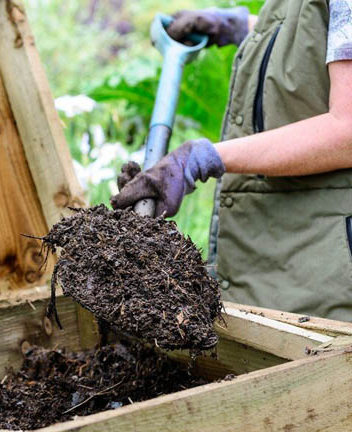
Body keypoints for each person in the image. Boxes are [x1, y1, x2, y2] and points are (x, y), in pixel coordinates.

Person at [112, 0, 352, 321]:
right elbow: (316, 36)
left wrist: (205, 158)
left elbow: (347, 129)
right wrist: (243, 27)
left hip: (319, 272)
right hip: (274, 256)